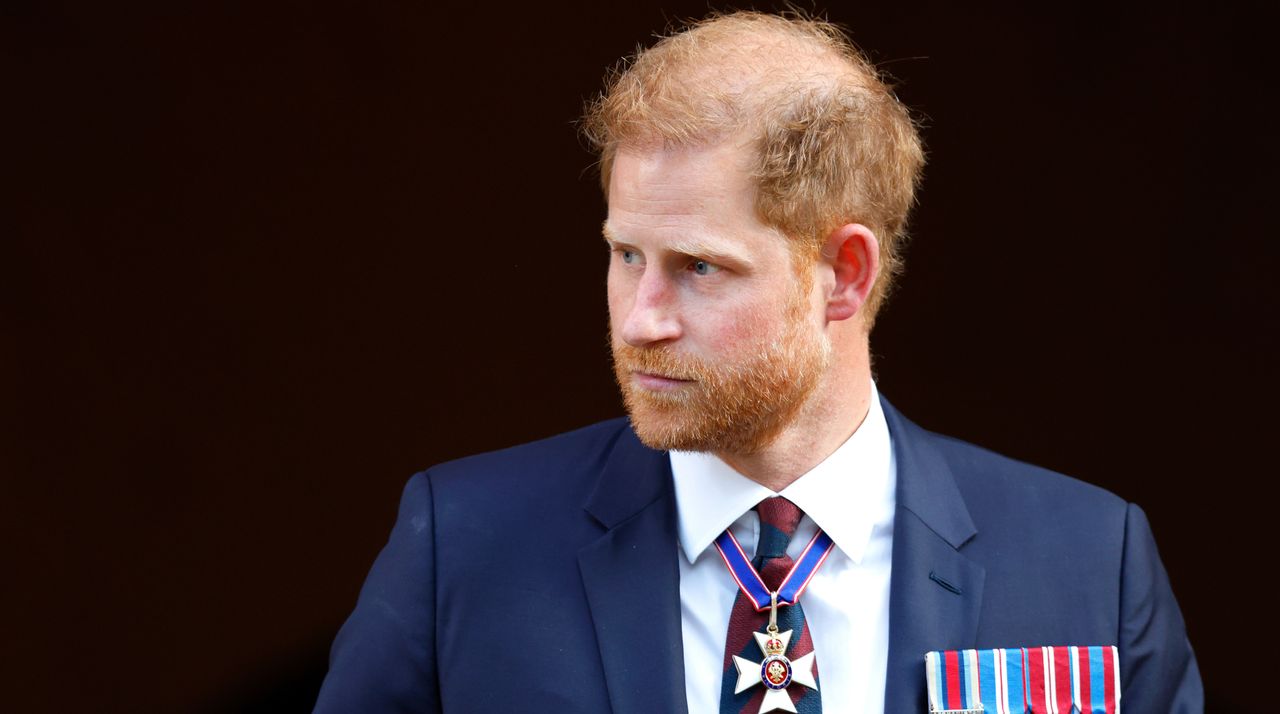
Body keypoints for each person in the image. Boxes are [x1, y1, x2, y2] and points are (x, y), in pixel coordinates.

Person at [313, 11, 1200, 714]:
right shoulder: (465, 546)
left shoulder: (1088, 561)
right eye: (626, 255)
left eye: (700, 267)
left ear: (842, 275)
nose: (640, 320)